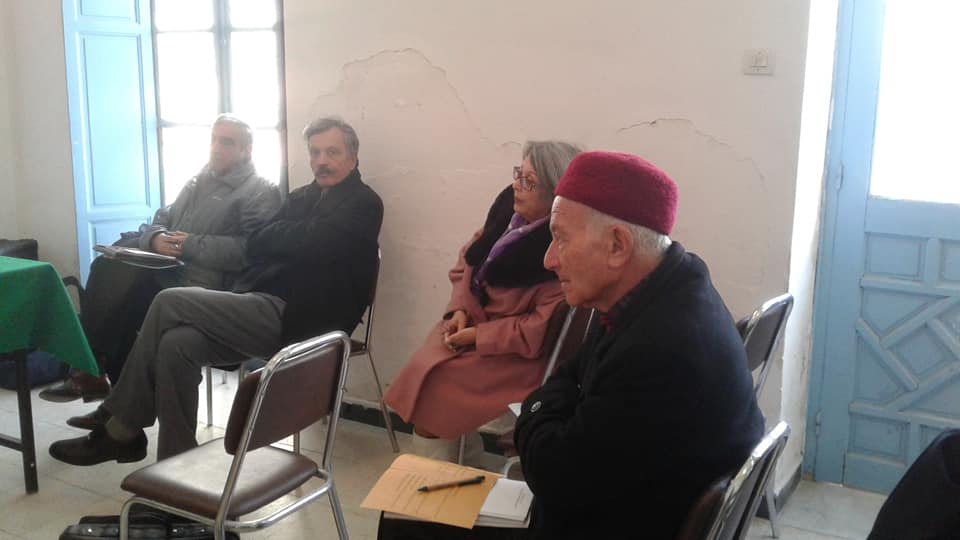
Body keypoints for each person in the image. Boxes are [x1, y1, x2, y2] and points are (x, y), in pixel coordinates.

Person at [378, 151, 764, 539]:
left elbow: (549, 473)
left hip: (606, 524)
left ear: (618, 246)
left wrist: (537, 411)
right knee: (413, 503)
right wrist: (553, 409)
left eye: (561, 238)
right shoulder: (663, 289)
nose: (549, 260)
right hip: (621, 505)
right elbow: (570, 374)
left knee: (405, 518)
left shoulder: (659, 350)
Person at [48, 116, 384, 464]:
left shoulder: (364, 203)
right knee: (175, 344)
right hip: (261, 304)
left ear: (353, 157)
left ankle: (120, 427)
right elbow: (262, 241)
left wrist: (289, 238)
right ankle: (176, 464)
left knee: (168, 301)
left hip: (304, 320)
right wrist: (293, 238)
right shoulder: (301, 197)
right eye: (315, 152)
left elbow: (312, 244)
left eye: (332, 152)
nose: (321, 161)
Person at [40, 114, 281, 402]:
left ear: (247, 150)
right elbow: (162, 217)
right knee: (108, 268)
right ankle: (101, 380)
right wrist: (155, 238)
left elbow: (253, 252)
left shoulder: (259, 191)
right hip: (172, 271)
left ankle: (103, 385)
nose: (216, 148)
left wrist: (189, 245)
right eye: (214, 140)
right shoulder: (198, 181)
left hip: (211, 285)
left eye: (227, 142)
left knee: (129, 299)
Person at [384, 141, 581, 463]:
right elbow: (466, 263)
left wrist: (478, 336)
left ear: (554, 193)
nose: (516, 186)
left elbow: (536, 328)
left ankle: (439, 473)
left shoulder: (558, 251)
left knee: (435, 394)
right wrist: (459, 310)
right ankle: (459, 464)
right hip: (473, 327)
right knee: (426, 372)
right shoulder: (507, 219)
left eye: (529, 182)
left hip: (517, 356)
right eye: (518, 174)